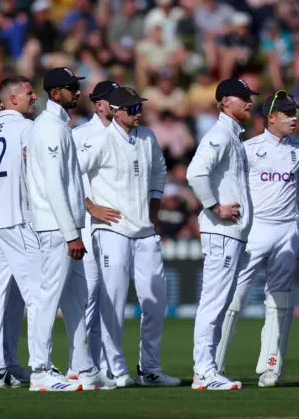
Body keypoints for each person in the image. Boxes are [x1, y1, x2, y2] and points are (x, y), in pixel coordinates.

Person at [214, 90, 299, 387]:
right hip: (254, 229)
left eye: (295, 113)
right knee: (235, 298)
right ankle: (213, 366)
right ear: (270, 117)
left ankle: (271, 367)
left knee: (281, 300)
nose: (294, 118)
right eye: (287, 113)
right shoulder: (247, 148)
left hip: (287, 231)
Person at [76, 86, 181, 387]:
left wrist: (154, 207)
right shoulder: (101, 140)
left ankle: (149, 369)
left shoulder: (147, 137)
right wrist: (91, 206)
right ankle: (116, 369)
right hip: (112, 231)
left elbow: (159, 171)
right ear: (116, 111)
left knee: (155, 299)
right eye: (132, 108)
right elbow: (71, 172)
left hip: (144, 231)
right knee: (115, 299)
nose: (138, 113)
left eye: (139, 107)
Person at [27, 67, 113, 391]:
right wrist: (71, 234)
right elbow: (53, 186)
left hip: (66, 227)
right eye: (71, 88)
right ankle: (40, 371)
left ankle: (84, 367)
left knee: (77, 301)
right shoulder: (49, 129)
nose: (78, 92)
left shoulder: (58, 126)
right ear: (54, 93)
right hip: (57, 229)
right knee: (49, 299)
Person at [186, 78, 257, 390]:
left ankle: (206, 369)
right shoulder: (219, 134)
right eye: (243, 98)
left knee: (219, 301)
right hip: (222, 231)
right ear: (225, 101)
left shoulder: (232, 135)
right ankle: (204, 371)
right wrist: (215, 207)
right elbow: (195, 173)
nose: (250, 103)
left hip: (232, 233)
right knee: (214, 302)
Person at [0, 76, 41, 388]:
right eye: (29, 93)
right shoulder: (27, 129)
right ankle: (43, 367)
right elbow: (36, 172)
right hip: (16, 218)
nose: (35, 98)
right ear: (13, 99)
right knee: (37, 293)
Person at [67, 80, 122, 381]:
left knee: (108, 301)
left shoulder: (127, 135)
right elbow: (71, 180)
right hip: (87, 226)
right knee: (86, 299)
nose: (118, 105)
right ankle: (79, 366)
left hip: (115, 229)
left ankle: (99, 367)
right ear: (99, 104)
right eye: (112, 100)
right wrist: (91, 208)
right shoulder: (79, 135)